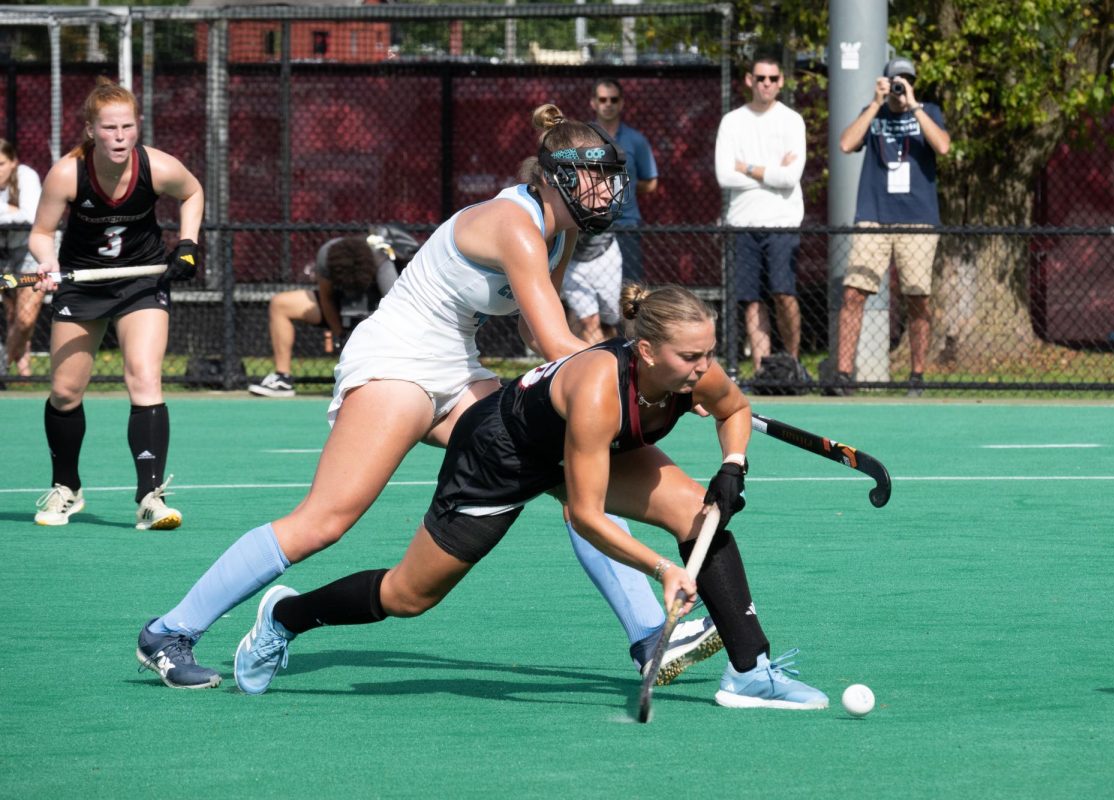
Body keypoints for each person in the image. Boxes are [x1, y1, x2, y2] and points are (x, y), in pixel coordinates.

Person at [135, 104, 719, 691]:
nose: (605, 189)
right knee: (325, 521)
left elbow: (534, 334)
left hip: (457, 366)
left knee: (574, 473)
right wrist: (649, 382)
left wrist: (636, 388)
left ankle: (649, 638)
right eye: (592, 175)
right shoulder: (514, 223)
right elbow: (557, 343)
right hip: (398, 359)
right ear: (553, 177)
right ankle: (170, 631)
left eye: (607, 175)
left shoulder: (558, 234)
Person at [232, 284, 828, 712]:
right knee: (409, 595)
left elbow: (735, 409)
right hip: (499, 454)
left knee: (699, 507)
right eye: (691, 358)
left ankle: (750, 673)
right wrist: (662, 567)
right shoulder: (600, 390)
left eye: (707, 353)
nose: (704, 368)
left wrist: (732, 464)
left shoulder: (694, 371)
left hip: (584, 445)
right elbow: (587, 515)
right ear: (646, 352)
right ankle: (285, 617)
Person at [27, 78, 204, 529]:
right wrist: (47, 266)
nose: (120, 136)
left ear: (138, 126)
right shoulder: (68, 173)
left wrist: (187, 243)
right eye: (109, 128)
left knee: (144, 377)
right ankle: (67, 487)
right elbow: (41, 233)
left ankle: (150, 496)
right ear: (91, 130)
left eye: (127, 126)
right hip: (82, 286)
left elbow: (193, 192)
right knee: (66, 393)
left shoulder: (157, 167)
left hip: (141, 281)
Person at [832, 56, 951, 397]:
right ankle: (842, 375)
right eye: (895, 80)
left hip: (917, 217)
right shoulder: (874, 113)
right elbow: (845, 144)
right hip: (874, 216)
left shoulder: (928, 110)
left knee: (918, 297)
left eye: (906, 80)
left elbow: (942, 145)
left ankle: (917, 375)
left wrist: (913, 106)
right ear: (884, 82)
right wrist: (875, 104)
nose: (900, 86)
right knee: (854, 293)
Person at [714, 55, 807, 376]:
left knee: (783, 293)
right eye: (761, 78)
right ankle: (762, 371)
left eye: (773, 78)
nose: (766, 84)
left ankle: (792, 365)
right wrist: (772, 170)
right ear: (749, 80)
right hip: (742, 222)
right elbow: (724, 176)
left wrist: (747, 167)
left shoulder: (792, 120)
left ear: (781, 81)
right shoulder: (732, 121)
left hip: (782, 221)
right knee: (752, 301)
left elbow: (790, 178)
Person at [248, 229, 418, 398]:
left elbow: (399, 310)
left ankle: (404, 380)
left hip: (377, 309)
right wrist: (340, 335)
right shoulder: (328, 254)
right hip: (339, 305)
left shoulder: (381, 261)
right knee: (281, 304)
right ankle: (282, 379)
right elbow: (326, 298)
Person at [591, 78, 657, 284]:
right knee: (585, 297)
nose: (608, 104)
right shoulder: (582, 137)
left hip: (627, 225)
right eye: (603, 99)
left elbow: (651, 183)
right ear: (593, 103)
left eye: (613, 99)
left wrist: (622, 186)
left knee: (630, 292)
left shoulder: (636, 140)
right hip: (589, 225)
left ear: (621, 103)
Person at [0, 139, 44, 379]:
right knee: (11, 317)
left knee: (25, 319)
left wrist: (12, 212)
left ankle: (2, 366)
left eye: (1, 164)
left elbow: (30, 216)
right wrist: (10, 210)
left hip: (31, 249)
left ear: (13, 162)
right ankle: (23, 371)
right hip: (2, 251)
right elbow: (17, 215)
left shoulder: (26, 176)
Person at [561, 229, 623, 344]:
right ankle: (596, 359)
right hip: (571, 262)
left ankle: (613, 356)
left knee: (609, 320)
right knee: (589, 321)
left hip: (605, 255)